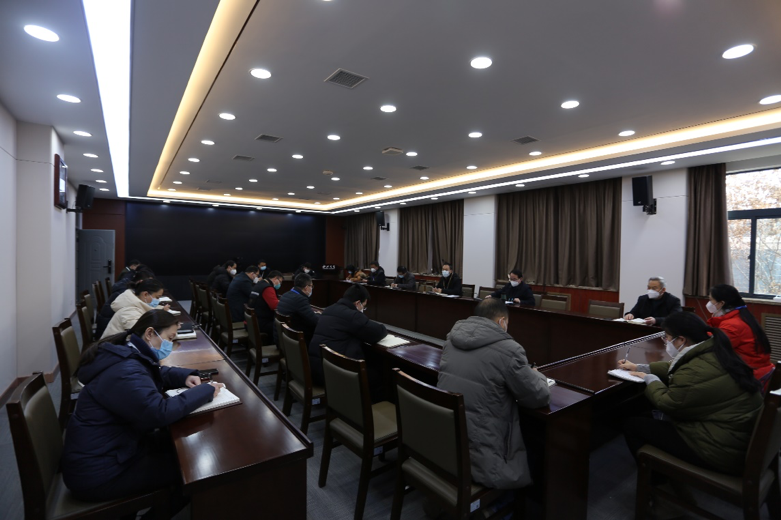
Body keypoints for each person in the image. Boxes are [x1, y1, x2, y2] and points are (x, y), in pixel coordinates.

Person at [62, 310, 223, 515]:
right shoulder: (125, 369)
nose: (170, 344)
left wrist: (184, 376)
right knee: (191, 472)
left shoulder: (126, 351)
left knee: (179, 448)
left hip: (113, 448)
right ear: (149, 333)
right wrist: (205, 391)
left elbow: (154, 373)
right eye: (169, 338)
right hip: (100, 473)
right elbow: (159, 413)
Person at [619, 311, 763, 475]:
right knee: (647, 415)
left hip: (719, 449)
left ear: (681, 339)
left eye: (666, 337)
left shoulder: (696, 370)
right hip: (736, 435)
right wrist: (640, 367)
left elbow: (668, 404)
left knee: (633, 425)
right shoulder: (714, 350)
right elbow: (675, 366)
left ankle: (655, 480)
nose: (665, 342)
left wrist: (650, 379)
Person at [437, 298, 551, 489]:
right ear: (502, 322)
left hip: (447, 440)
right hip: (482, 456)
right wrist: (537, 375)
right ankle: (502, 502)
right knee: (538, 448)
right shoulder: (510, 350)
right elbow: (538, 396)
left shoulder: (451, 340)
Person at [309, 284, 387, 401]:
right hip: (332, 374)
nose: (363, 310)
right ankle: (364, 408)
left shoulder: (329, 309)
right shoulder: (352, 315)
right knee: (380, 376)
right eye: (364, 306)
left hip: (316, 368)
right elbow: (378, 332)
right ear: (357, 303)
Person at [707, 284, 774, 387]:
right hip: (758, 370)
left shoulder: (732, 325)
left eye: (711, 300)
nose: (709, 303)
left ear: (721, 303)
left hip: (750, 376)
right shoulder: (742, 316)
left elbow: (712, 346)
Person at [101, 279, 170, 339]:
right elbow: (141, 334)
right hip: (111, 348)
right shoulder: (129, 311)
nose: (158, 300)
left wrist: (161, 310)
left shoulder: (134, 303)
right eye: (157, 297)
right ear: (145, 294)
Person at [96, 268, 155, 338]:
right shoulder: (125, 294)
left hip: (110, 329)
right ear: (141, 281)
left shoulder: (131, 291)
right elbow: (135, 328)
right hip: (106, 332)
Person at [277, 273, 320, 345]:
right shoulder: (300, 299)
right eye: (311, 286)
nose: (312, 289)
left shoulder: (285, 294)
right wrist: (320, 315)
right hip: (294, 342)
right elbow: (315, 320)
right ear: (306, 287)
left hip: (282, 338)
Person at [249, 270, 284, 337]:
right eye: (280, 281)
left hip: (253, 321)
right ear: (275, 278)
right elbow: (274, 306)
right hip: (261, 323)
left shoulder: (260, 284)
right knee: (282, 328)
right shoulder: (268, 288)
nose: (280, 284)